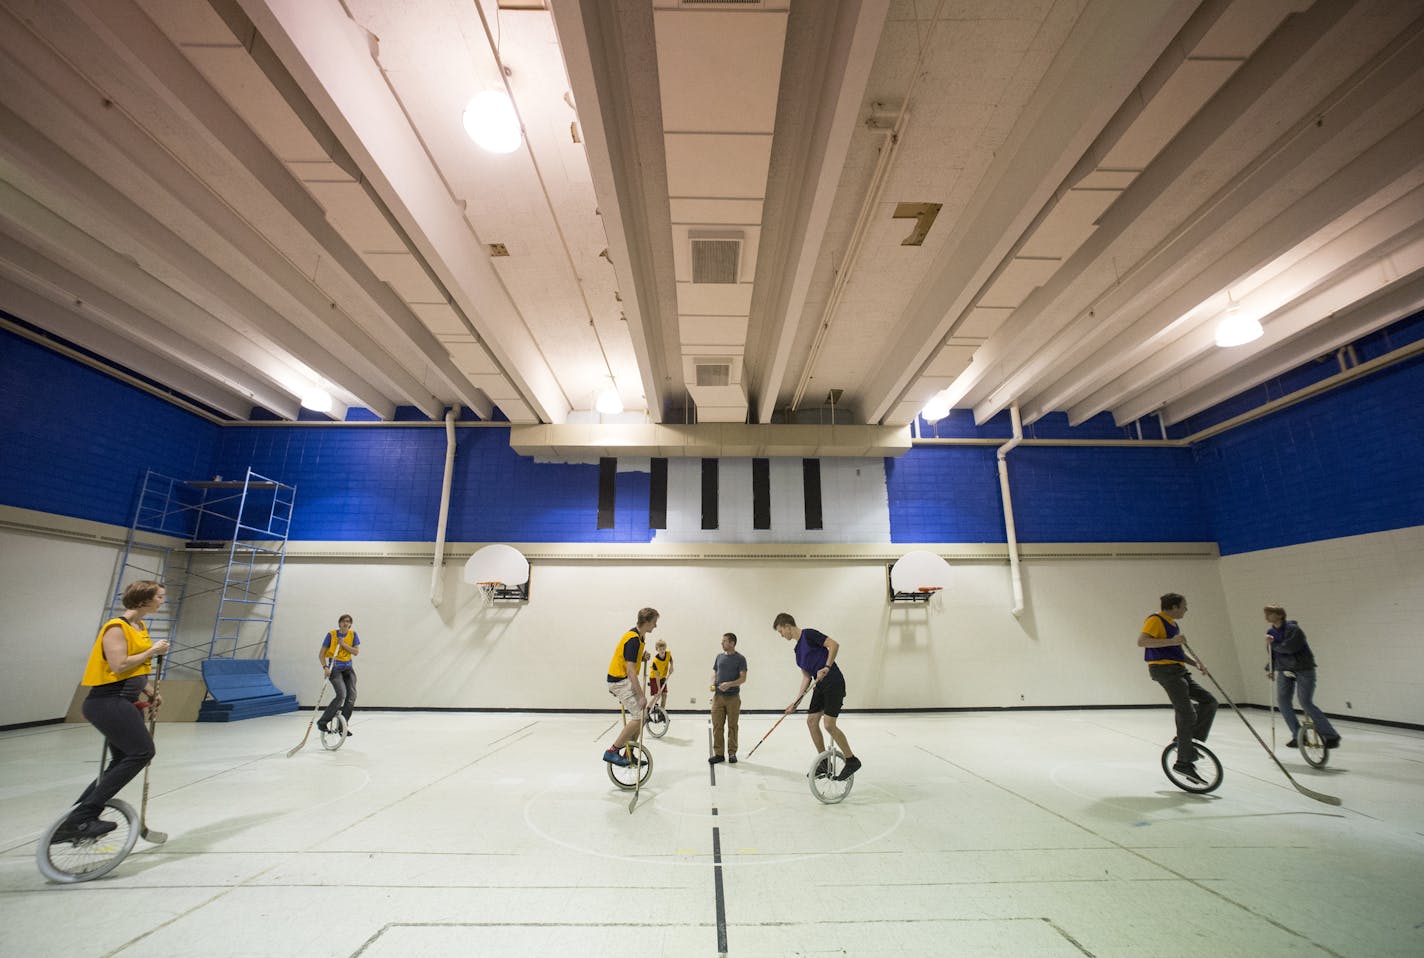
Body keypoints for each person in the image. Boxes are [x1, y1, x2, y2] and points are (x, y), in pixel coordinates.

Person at [55, 580, 171, 841]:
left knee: (122, 760)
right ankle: (82, 817)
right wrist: (153, 650)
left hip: (125, 700)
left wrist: (151, 692)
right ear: (143, 600)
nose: (162, 601)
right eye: (159, 597)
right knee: (142, 751)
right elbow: (119, 666)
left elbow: (137, 669)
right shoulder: (116, 627)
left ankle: (78, 816)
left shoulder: (139, 627)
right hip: (109, 701)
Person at [1137, 592, 1217, 785]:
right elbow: (1142, 641)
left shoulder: (1173, 624)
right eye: (1184, 606)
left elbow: (1176, 652)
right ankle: (1183, 761)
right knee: (1187, 713)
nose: (1186, 609)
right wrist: (1173, 641)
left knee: (1209, 701)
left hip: (1178, 669)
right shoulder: (1155, 620)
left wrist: (1194, 663)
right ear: (1173, 607)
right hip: (1165, 670)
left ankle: (1188, 743)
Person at [774, 612, 860, 780]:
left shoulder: (809, 634)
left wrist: (826, 667)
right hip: (819, 685)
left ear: (787, 626)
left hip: (833, 680)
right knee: (811, 721)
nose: (781, 635)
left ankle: (851, 760)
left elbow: (834, 645)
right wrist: (796, 703)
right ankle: (824, 762)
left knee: (828, 724)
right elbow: (806, 677)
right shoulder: (797, 651)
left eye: (780, 631)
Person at [1265, 605, 1341, 749]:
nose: (1267, 617)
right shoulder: (1271, 632)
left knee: (1305, 702)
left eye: (1270, 613)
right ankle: (1298, 735)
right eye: (1266, 614)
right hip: (1284, 669)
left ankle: (1331, 735)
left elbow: (1289, 648)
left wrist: (1273, 643)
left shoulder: (1293, 629)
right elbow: (1272, 653)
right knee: (1282, 702)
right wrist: (1270, 667)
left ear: (1280, 615)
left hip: (1303, 668)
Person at [603, 607, 658, 767]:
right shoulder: (633, 639)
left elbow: (629, 658)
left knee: (644, 716)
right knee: (639, 717)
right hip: (619, 681)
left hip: (624, 679)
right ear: (646, 622)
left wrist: (642, 657)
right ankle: (612, 751)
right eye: (654, 622)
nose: (655, 626)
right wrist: (641, 696)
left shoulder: (639, 638)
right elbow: (630, 671)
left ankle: (629, 752)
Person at [317, 614, 360, 736]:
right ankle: (322, 722)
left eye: (348, 621)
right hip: (334, 669)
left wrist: (344, 644)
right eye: (343, 621)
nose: (345, 623)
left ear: (350, 624)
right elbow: (321, 654)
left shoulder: (353, 635)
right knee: (341, 695)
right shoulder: (331, 635)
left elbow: (356, 652)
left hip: (348, 669)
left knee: (351, 696)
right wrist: (325, 667)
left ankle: (343, 727)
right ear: (339, 623)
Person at [708, 632, 748, 765]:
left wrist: (729, 684)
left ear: (732, 643)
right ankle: (719, 754)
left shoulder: (740, 659)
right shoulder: (719, 657)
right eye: (722, 640)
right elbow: (715, 671)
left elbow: (743, 678)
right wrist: (713, 683)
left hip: (733, 698)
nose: (722, 643)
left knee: (732, 726)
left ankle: (732, 753)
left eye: (724, 641)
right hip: (718, 697)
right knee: (717, 726)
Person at [648, 637, 674, 712]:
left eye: (663, 649)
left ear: (665, 648)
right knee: (657, 695)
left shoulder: (668, 653)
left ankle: (661, 713)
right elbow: (657, 676)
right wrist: (659, 689)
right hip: (654, 678)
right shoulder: (655, 661)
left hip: (662, 677)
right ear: (657, 649)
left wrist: (671, 666)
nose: (662, 651)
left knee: (664, 695)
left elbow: (671, 660)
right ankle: (648, 709)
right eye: (660, 649)